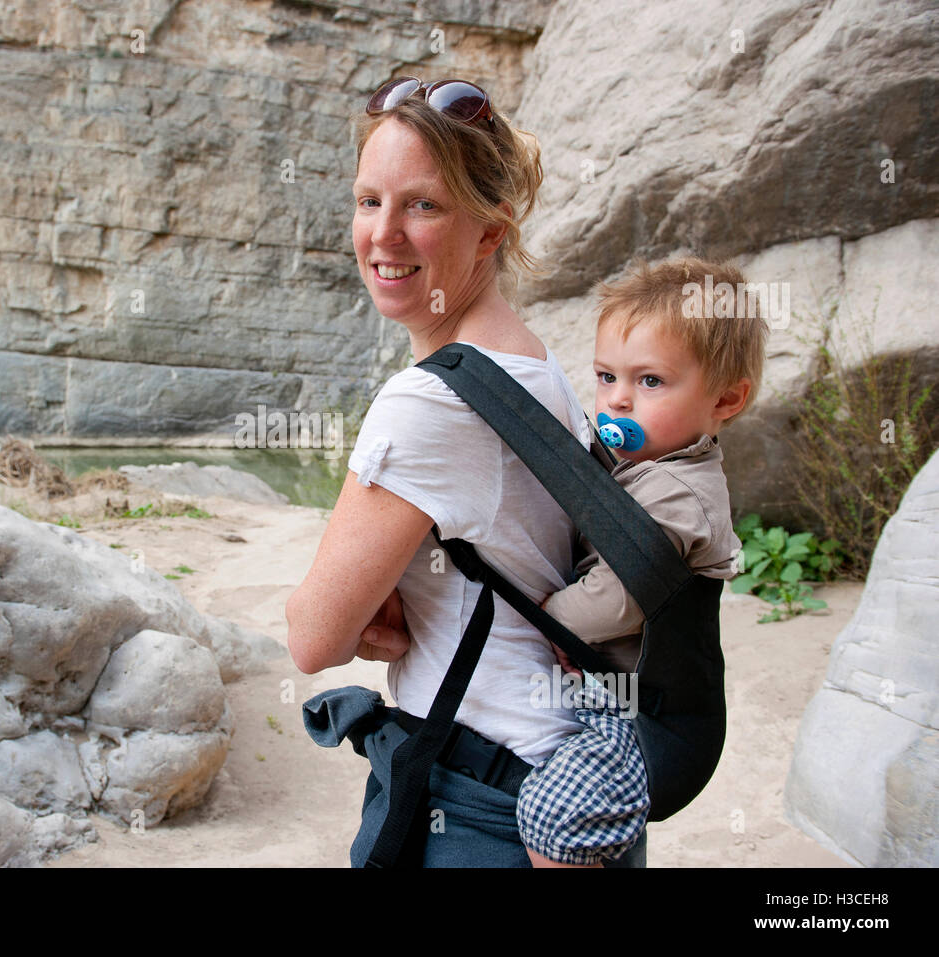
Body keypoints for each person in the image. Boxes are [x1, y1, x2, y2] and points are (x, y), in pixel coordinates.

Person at [285, 76, 644, 867]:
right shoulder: (534, 367)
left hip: (485, 806)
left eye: (423, 205)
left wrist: (351, 598)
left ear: (490, 233)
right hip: (572, 787)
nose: (383, 234)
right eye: (368, 200)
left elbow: (313, 637)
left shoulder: (429, 403)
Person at [515, 257, 768, 868]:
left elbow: (616, 596)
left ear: (726, 398)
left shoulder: (679, 494)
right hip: (616, 695)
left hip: (651, 723)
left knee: (553, 817)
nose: (619, 400)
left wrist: (548, 614)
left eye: (650, 382)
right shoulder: (643, 464)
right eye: (606, 376)